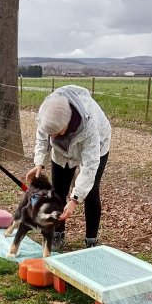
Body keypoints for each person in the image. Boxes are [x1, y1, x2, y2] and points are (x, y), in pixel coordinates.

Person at [26, 85, 111, 250]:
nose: (53, 136)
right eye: (52, 134)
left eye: (57, 133)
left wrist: (75, 199)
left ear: (67, 122)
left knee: (91, 192)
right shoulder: (47, 112)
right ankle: (57, 234)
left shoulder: (89, 124)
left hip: (97, 146)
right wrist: (39, 163)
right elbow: (43, 139)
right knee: (58, 191)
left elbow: (89, 166)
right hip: (61, 151)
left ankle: (91, 241)